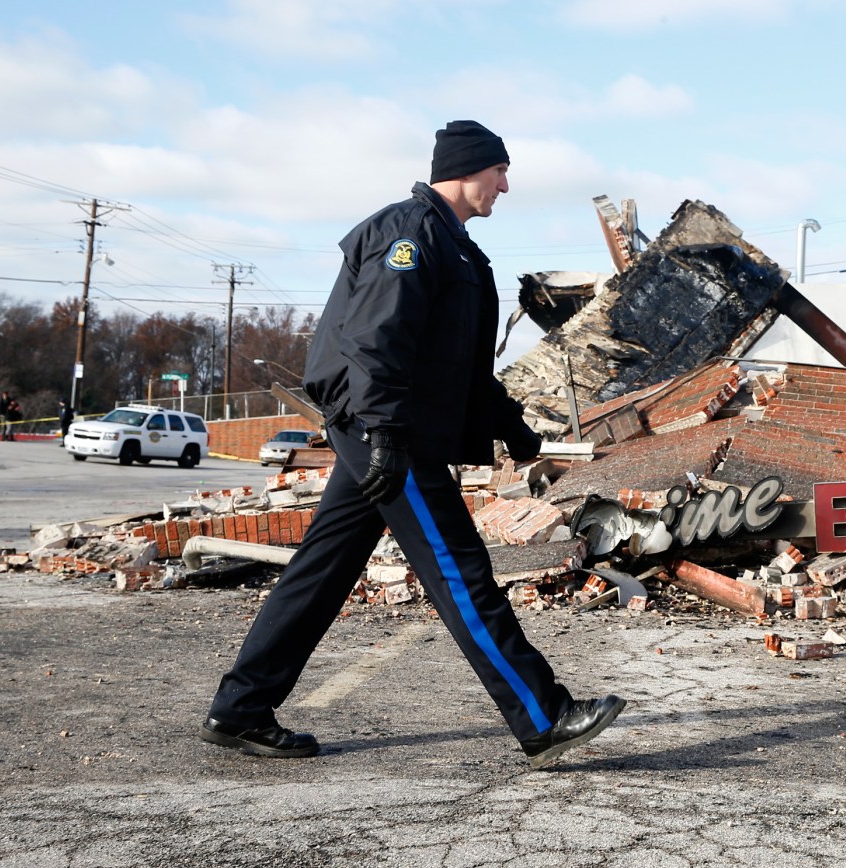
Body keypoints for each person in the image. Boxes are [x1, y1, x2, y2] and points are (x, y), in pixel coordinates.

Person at [201, 120, 625, 767]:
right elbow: (376, 340)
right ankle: (544, 716)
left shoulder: (457, 250)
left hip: (390, 429)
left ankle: (240, 709)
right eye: (499, 172)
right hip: (388, 432)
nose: (506, 186)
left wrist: (511, 426)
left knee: (321, 570)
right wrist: (386, 435)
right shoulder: (409, 234)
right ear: (466, 168)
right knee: (461, 570)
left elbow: (460, 367)